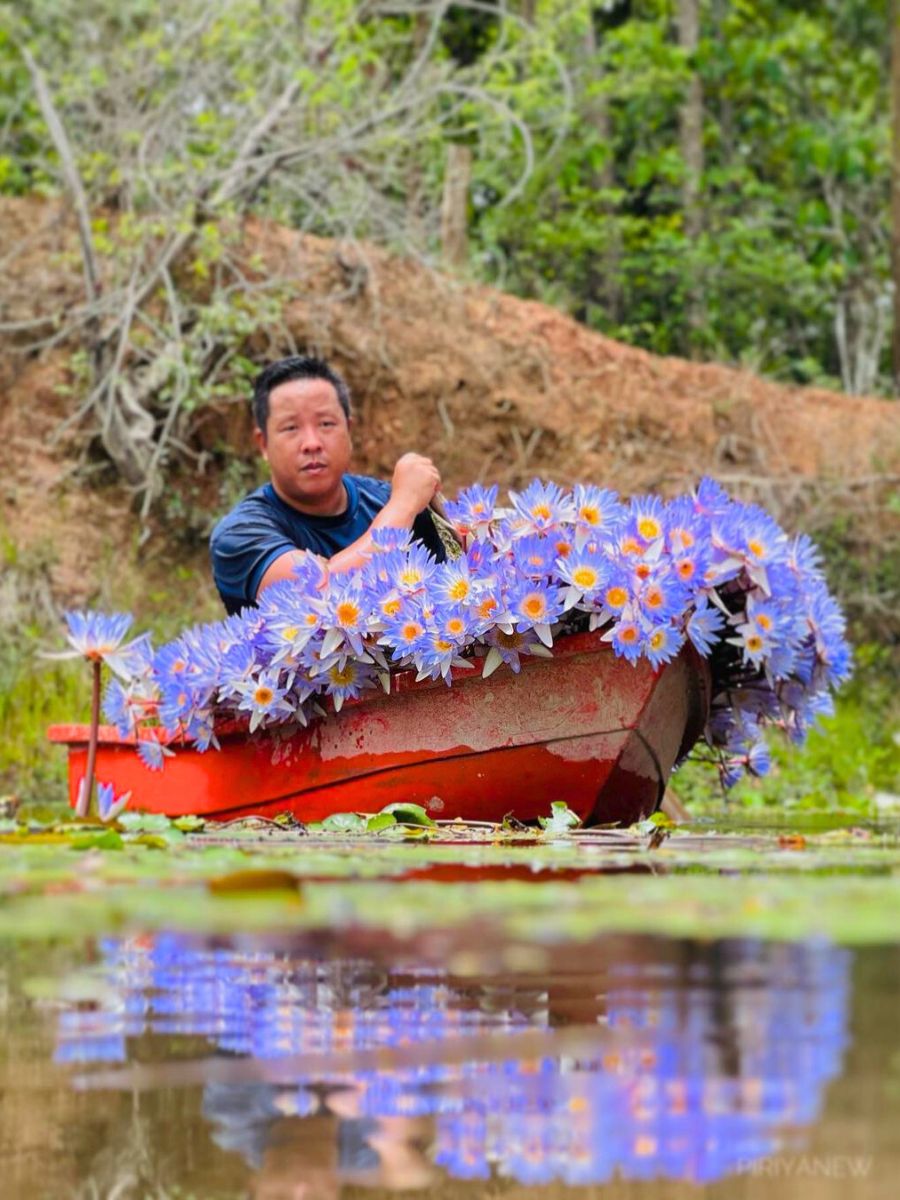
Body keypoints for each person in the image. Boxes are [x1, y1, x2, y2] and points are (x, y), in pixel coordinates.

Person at [210, 355, 447, 615]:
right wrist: (403, 506)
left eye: (326, 424)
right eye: (290, 428)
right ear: (263, 444)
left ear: (349, 430)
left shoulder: (391, 503)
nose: (311, 443)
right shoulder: (239, 535)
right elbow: (321, 596)